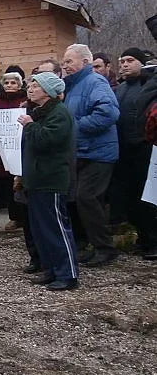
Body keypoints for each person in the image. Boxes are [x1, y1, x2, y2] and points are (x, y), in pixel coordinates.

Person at [17, 72, 79, 290]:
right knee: (41, 230)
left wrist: (29, 125)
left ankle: (68, 273)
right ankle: (51, 269)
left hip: (51, 180)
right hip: (37, 180)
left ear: (48, 91)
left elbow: (47, 141)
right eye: (31, 85)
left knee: (56, 228)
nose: (30, 89)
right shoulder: (41, 113)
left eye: (36, 85)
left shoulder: (59, 114)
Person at [61, 43, 120, 266]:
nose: (65, 66)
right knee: (81, 199)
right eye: (64, 62)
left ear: (85, 62)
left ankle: (106, 248)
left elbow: (108, 113)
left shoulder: (95, 82)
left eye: (69, 61)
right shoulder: (73, 86)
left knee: (88, 197)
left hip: (99, 153)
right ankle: (94, 245)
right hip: (82, 151)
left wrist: (74, 127)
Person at [114, 47, 157, 259]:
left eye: (130, 60)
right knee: (132, 198)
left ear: (142, 62)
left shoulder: (150, 85)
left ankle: (154, 241)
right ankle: (143, 237)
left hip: (146, 148)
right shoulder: (120, 89)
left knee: (149, 198)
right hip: (124, 151)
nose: (124, 64)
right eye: (122, 61)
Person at [0, 72, 36, 265]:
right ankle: (14, 216)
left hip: (23, 146)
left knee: (21, 183)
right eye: (7, 82)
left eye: (13, 82)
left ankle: (24, 217)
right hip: (5, 147)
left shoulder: (26, 101)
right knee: (7, 182)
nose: (10, 85)